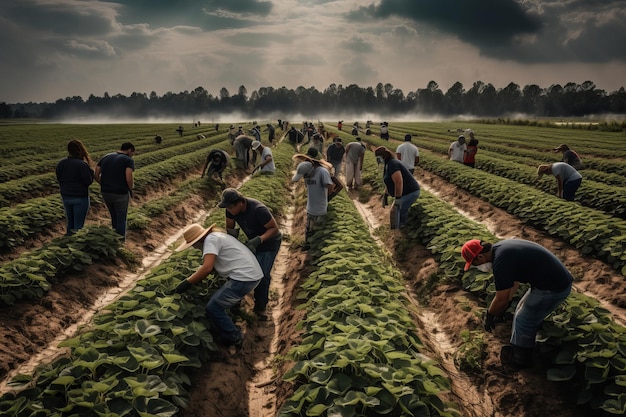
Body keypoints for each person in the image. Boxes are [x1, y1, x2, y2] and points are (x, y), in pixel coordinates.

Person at [461, 238, 573, 369]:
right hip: (551, 280)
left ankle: (521, 360)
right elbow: (513, 283)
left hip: (553, 287)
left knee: (524, 320)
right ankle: (525, 344)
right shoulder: (501, 248)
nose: (477, 267)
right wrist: (506, 303)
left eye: (475, 264)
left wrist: (490, 314)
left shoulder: (501, 261)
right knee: (521, 309)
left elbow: (501, 298)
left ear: (480, 257)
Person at [174, 223, 263, 349]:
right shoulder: (217, 236)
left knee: (213, 307)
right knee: (226, 296)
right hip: (251, 274)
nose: (194, 247)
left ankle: (235, 337)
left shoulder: (210, 240)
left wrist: (186, 283)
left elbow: (207, 268)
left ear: (199, 240)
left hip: (244, 278)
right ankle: (235, 313)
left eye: (193, 244)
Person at [218, 189, 282, 320]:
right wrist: (232, 246)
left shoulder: (258, 210)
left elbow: (274, 229)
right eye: (227, 207)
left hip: (269, 243)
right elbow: (230, 228)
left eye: (231, 207)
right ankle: (235, 304)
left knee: (262, 275)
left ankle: (260, 307)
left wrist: (258, 240)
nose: (229, 210)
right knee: (239, 270)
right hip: (253, 242)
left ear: (240, 203)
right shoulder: (230, 210)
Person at [291, 157, 336, 250]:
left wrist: (325, 198)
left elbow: (330, 186)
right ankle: (308, 247)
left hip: (319, 208)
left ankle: (315, 250)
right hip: (310, 207)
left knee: (317, 232)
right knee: (309, 229)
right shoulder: (309, 174)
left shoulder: (322, 172)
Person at [95, 142, 135, 240]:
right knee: (121, 217)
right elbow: (128, 177)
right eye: (133, 152)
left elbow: (96, 174)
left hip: (106, 192)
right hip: (120, 193)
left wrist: (104, 184)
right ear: (129, 150)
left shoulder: (106, 157)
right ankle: (120, 241)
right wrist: (130, 188)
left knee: (114, 216)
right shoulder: (128, 160)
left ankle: (113, 238)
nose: (132, 155)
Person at [374, 146, 420, 229]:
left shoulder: (393, 164)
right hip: (406, 192)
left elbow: (398, 181)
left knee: (396, 211)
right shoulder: (388, 164)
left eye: (378, 158)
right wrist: (386, 194)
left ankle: (398, 231)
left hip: (410, 192)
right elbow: (389, 181)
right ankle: (398, 229)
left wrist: (398, 198)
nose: (378, 160)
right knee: (396, 211)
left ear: (383, 156)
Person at [55, 140, 94, 236]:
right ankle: (76, 245)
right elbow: (88, 181)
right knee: (78, 227)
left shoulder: (61, 163)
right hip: (80, 197)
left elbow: (59, 178)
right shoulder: (81, 164)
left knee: (70, 223)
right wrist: (90, 171)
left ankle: (67, 242)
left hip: (66, 197)